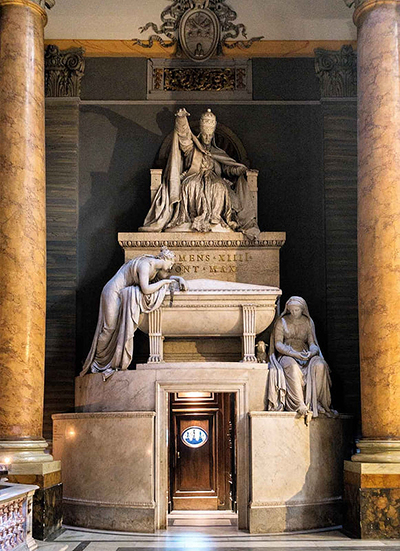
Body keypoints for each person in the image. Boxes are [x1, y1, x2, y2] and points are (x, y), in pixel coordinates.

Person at [141, 107, 260, 239]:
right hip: (193, 176)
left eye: (209, 135)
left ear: (213, 136)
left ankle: (215, 218)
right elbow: (184, 137)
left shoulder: (218, 152)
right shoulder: (192, 148)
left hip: (214, 177)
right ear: (200, 134)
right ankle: (190, 218)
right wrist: (181, 119)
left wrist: (240, 169)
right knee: (190, 185)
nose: (207, 138)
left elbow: (228, 168)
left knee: (219, 187)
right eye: (205, 135)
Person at [80, 247, 186, 380]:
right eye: (171, 263)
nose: (171, 266)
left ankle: (105, 362)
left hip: (121, 295)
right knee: (109, 328)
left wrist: (178, 279)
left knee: (115, 329)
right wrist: (165, 282)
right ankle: (97, 363)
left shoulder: (154, 267)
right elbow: (146, 289)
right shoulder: (145, 265)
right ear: (165, 259)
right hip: (113, 292)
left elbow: (162, 279)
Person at [267, 296, 337, 420]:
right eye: (291, 310)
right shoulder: (281, 322)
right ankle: (299, 404)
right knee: (292, 367)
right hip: (287, 355)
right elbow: (278, 344)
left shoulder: (307, 322)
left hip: (305, 355)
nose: (294, 313)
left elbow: (312, 343)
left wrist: (311, 353)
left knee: (320, 365)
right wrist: (293, 353)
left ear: (302, 309)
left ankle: (317, 403)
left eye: (297, 310)